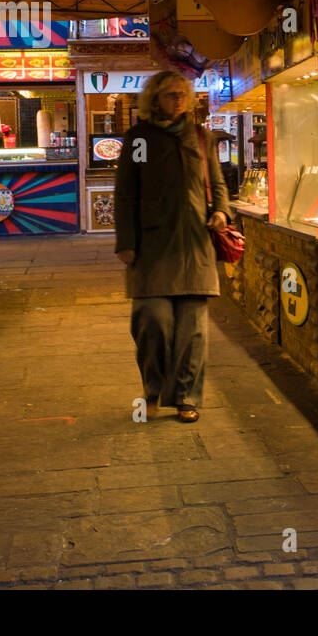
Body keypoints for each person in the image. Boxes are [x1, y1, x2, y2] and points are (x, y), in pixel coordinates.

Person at [114, 71, 229, 424]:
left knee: (192, 330)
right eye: (170, 95)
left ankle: (186, 396)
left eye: (183, 94)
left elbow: (218, 182)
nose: (178, 100)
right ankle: (153, 390)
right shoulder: (140, 139)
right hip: (152, 246)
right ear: (154, 99)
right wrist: (127, 242)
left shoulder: (201, 137)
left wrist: (222, 211)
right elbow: (126, 192)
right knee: (153, 322)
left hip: (194, 245)